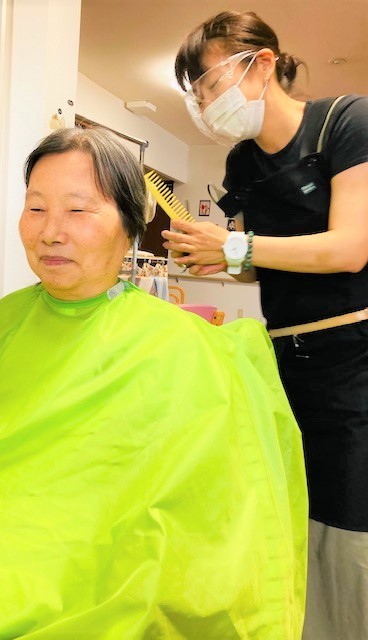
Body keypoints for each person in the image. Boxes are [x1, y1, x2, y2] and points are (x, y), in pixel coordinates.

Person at [0, 126, 308, 639]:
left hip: (80, 574)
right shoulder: (2, 324)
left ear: (129, 227)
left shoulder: (186, 350)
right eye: (36, 208)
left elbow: (208, 530)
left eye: (78, 209)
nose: (50, 232)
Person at [162, 10, 368, 640]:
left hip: (355, 359)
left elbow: (350, 248)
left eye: (209, 84)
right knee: (290, 508)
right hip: (281, 360)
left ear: (263, 63)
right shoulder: (242, 166)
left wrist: (236, 247)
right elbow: (259, 265)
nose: (206, 105)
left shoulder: (348, 122)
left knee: (349, 527)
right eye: (197, 96)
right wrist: (218, 258)